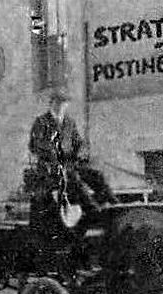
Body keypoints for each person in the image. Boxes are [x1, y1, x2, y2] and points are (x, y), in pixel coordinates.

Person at [28, 88, 114, 218]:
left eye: (64, 103)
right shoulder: (41, 122)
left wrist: (81, 152)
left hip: (70, 165)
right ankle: (93, 210)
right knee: (73, 178)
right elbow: (35, 145)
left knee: (97, 175)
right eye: (58, 102)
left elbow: (78, 142)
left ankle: (113, 205)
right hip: (50, 169)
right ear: (51, 103)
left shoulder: (69, 122)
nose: (61, 106)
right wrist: (54, 154)